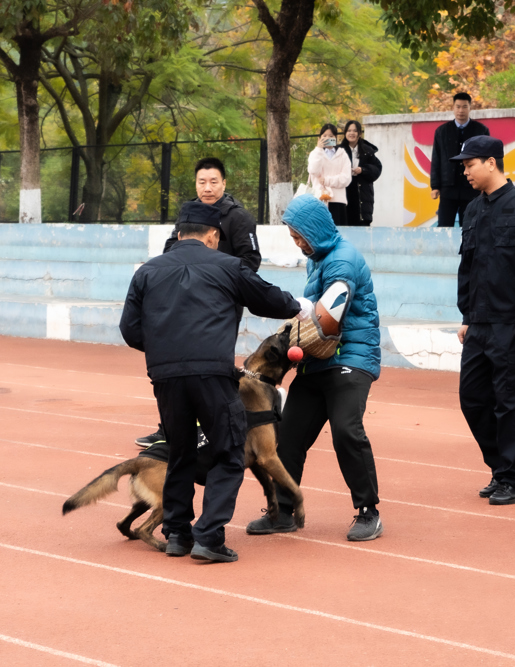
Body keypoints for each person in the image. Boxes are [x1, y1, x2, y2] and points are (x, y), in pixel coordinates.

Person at [119, 200, 312, 562]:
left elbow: (130, 330)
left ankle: (178, 535)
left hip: (166, 375)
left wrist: (166, 349)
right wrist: (297, 306)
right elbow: (266, 299)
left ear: (178, 234)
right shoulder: (227, 265)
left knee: (180, 452)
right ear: (212, 236)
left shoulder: (147, 271)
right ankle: (208, 537)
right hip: (212, 374)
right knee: (228, 451)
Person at [245, 194, 384, 542]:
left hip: (351, 356)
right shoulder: (317, 259)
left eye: (299, 236)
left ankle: (369, 511)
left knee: (346, 430)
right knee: (288, 435)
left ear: (315, 230)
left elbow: (327, 320)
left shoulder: (342, 261)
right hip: (318, 362)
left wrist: (289, 334)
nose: (297, 242)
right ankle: (283, 511)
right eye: (293, 237)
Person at [136, 156, 262, 449]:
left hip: (221, 306)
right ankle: (169, 428)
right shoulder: (188, 214)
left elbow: (250, 261)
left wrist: (217, 275)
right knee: (178, 366)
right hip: (183, 302)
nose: (207, 188)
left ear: (224, 183)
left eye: (213, 181)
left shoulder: (239, 217)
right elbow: (170, 251)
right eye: (201, 182)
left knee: (215, 367)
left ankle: (215, 427)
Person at [454, 136, 515, 506]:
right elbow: (468, 267)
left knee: (510, 402)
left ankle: (513, 478)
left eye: (469, 165)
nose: (465, 172)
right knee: (472, 398)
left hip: (513, 324)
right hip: (478, 323)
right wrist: (466, 315)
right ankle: (500, 467)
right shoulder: (472, 210)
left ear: (491, 163)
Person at [430, 92, 489, 227]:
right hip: (447, 189)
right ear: (453, 107)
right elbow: (436, 159)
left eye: (464, 107)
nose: (461, 110)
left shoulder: (481, 131)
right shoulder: (442, 131)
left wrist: (485, 185)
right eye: (458, 107)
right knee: (444, 226)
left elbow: (486, 160)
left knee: (471, 226)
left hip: (472, 188)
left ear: (470, 108)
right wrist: (435, 186)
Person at [307, 124, 353, 228]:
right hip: (319, 200)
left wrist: (327, 180)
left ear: (336, 138)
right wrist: (319, 149)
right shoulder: (315, 153)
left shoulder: (342, 154)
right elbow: (313, 171)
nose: (327, 138)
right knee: (319, 231)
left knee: (338, 231)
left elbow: (346, 178)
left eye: (331, 136)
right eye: (324, 136)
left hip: (338, 201)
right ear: (319, 138)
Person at [339, 120, 383, 226]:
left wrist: (363, 170)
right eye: (349, 130)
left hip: (362, 194)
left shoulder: (367, 151)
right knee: (344, 226)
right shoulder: (339, 150)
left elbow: (377, 169)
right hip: (344, 192)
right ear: (345, 133)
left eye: (355, 131)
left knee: (362, 227)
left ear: (359, 133)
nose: (352, 133)